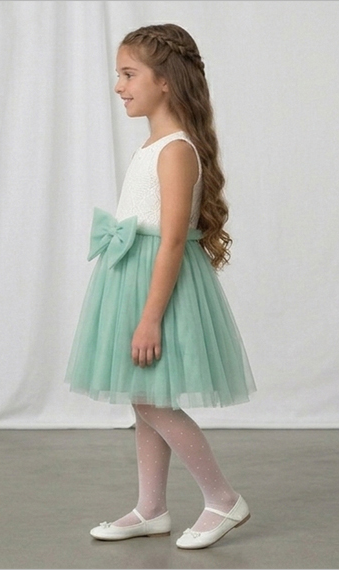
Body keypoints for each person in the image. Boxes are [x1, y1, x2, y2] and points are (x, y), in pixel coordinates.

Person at [66, 24, 256, 550]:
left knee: (152, 400)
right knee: (143, 397)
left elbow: (172, 239)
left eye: (129, 75)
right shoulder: (152, 146)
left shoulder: (176, 149)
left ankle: (222, 497)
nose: (119, 86)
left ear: (165, 80)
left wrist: (150, 317)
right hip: (131, 279)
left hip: (157, 287)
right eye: (119, 75)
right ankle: (151, 508)